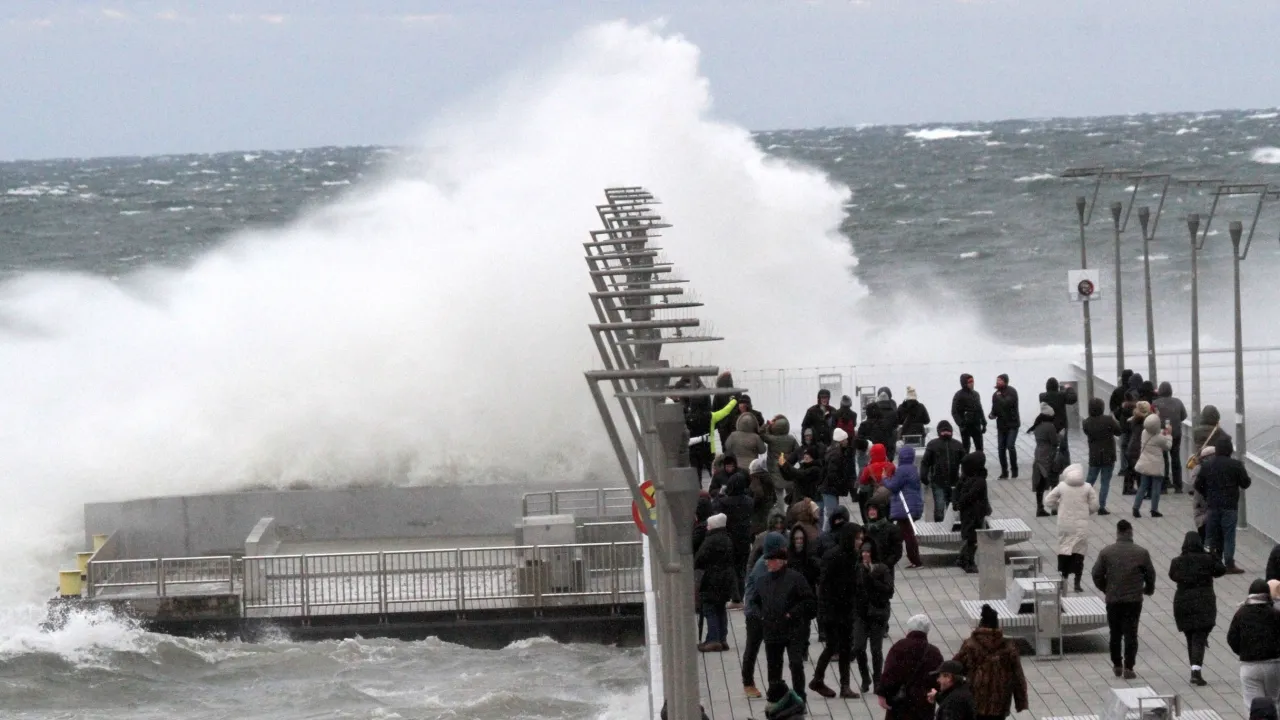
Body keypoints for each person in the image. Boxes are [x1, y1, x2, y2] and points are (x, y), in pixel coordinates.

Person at [750, 545, 816, 706]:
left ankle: (800, 695)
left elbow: (808, 600)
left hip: (793, 629)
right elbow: (754, 601)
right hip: (771, 629)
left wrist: (791, 613)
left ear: (780, 562)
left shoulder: (795, 578)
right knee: (773, 665)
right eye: (767, 560)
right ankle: (775, 697)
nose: (767, 563)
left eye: (770, 561)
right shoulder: (762, 580)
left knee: (796, 663)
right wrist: (761, 615)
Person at [1092, 519, 1157, 679]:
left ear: (1117, 532)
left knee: (1115, 633)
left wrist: (1106, 588)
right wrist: (1148, 589)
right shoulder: (1141, 552)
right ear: (1130, 532)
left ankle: (1116, 664)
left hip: (1113, 599)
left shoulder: (1106, 552)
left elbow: (1096, 574)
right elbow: (1150, 574)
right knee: (1131, 633)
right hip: (1133, 599)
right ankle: (1129, 667)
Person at [1168, 530, 1226, 686]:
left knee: (1190, 636)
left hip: (1183, 603)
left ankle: (1194, 668)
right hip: (1204, 602)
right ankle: (1196, 671)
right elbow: (1221, 570)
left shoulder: (1177, 562)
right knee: (1199, 636)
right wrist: (1213, 555)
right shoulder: (1207, 560)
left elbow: (1172, 575)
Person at [811, 524, 861, 699]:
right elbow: (825, 585)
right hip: (835, 610)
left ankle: (826, 681)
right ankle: (839, 684)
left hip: (843, 609)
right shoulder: (836, 557)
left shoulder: (851, 556)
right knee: (839, 646)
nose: (860, 542)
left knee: (840, 647)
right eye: (857, 538)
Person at [953, 604, 1029, 720]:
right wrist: (1021, 702)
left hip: (975, 700)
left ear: (981, 623)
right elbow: (1018, 676)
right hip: (1000, 702)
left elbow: (955, 667)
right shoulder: (1009, 646)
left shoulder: (970, 645)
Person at [1197, 436, 1252, 574]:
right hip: (1230, 505)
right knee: (1229, 535)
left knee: (1211, 535)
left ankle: (1209, 562)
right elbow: (1245, 483)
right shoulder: (1236, 465)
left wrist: (1207, 494)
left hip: (1213, 505)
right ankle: (1229, 564)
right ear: (1230, 450)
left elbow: (1198, 484)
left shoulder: (1207, 465)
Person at [742, 532, 787, 699]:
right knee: (752, 647)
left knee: (767, 649)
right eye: (782, 546)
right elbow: (761, 592)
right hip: (756, 613)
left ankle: (773, 684)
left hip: (764, 612)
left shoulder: (771, 562)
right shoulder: (763, 565)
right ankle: (748, 682)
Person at [1043, 463, 1100, 593]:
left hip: (1064, 525)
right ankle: (1077, 584)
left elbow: (1048, 501)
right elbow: (1095, 506)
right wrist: (1086, 511)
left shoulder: (1062, 486)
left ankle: (1064, 580)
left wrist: (1059, 508)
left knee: (1064, 551)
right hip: (1081, 526)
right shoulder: (1087, 487)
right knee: (1079, 553)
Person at [1227, 579, 1280, 712]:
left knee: (1251, 704)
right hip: (1273, 664)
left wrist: (1243, 651)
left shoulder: (1241, 613)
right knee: (1273, 701)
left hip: (1249, 665)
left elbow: (1231, 638)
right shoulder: (1275, 613)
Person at [878, 614, 944, 720]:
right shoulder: (934, 652)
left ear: (909, 630)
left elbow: (890, 673)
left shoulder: (899, 647)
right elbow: (938, 679)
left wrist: (882, 693)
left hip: (901, 702)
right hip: (924, 703)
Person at [853, 541, 894, 693]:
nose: (865, 554)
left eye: (868, 552)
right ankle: (865, 677)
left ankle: (877, 680)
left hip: (878, 613)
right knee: (858, 647)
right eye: (863, 551)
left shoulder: (882, 569)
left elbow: (889, 590)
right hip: (861, 614)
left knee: (876, 649)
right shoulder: (857, 569)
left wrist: (871, 578)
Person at [694, 512, 735, 652]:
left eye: (709, 525)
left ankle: (713, 639)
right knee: (720, 608)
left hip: (712, 578)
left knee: (709, 608)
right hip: (726, 578)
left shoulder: (710, 540)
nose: (707, 528)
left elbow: (699, 559)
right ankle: (722, 638)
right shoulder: (728, 538)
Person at [713, 475, 755, 606]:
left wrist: (720, 494)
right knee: (741, 568)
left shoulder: (725, 502)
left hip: (730, 538)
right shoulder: (749, 501)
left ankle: (735, 597)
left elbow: (715, 507)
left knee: (731, 567)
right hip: (744, 539)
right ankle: (741, 596)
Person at [885, 444, 925, 569]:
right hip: (912, 506)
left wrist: (884, 479)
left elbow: (894, 486)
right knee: (901, 534)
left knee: (907, 536)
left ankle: (915, 561)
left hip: (905, 508)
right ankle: (893, 558)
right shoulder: (913, 468)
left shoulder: (902, 470)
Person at [1082, 397, 1123, 516]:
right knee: (1105, 482)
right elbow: (1119, 431)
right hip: (1108, 455)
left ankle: (1082, 502)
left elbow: (1087, 432)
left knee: (1090, 480)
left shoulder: (1086, 422)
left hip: (1094, 455)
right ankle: (1102, 506)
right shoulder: (1108, 420)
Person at [954, 452, 992, 574]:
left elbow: (957, 492)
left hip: (968, 513)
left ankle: (963, 559)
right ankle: (967, 561)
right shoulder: (979, 480)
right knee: (972, 539)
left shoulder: (965, 478)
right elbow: (974, 495)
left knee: (970, 538)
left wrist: (957, 504)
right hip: (975, 514)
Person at [921, 420, 966, 522]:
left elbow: (925, 462)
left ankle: (940, 529)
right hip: (948, 481)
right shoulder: (957, 444)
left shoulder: (933, 444)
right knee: (951, 508)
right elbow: (965, 463)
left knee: (940, 508)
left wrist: (924, 477)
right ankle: (950, 527)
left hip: (941, 481)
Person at [1132, 411, 1172, 518]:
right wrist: (1168, 435)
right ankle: (1154, 510)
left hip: (1145, 464)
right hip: (1156, 465)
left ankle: (1136, 507)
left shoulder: (1144, 432)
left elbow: (1155, 433)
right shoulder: (1160, 438)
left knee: (1143, 486)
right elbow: (1168, 446)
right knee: (1156, 488)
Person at [1153, 382, 1189, 492]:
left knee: (1163, 459)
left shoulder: (1155, 403)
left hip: (1162, 433)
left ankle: (1163, 486)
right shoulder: (1178, 402)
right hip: (1176, 433)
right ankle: (1178, 486)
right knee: (1175, 458)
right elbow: (1184, 416)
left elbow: (1152, 418)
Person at [1029, 403, 1060, 517]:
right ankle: (1054, 507)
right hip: (1048, 456)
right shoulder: (1050, 426)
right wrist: (1060, 436)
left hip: (1038, 456)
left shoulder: (1037, 425)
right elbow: (1055, 442)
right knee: (1054, 482)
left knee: (1040, 485)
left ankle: (1039, 507)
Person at [821, 429, 854, 531]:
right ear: (841, 441)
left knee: (832, 514)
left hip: (829, 489)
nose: (847, 441)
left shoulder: (832, 450)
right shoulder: (837, 454)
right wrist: (840, 483)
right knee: (831, 515)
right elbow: (832, 473)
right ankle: (825, 537)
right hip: (830, 489)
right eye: (845, 439)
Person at [989, 374, 1020, 479]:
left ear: (1005, 381)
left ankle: (1014, 470)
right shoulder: (995, 394)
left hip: (1012, 424)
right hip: (1001, 425)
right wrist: (992, 414)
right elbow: (995, 408)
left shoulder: (1012, 392)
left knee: (1010, 446)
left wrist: (998, 396)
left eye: (1000, 380)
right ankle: (1004, 472)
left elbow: (1006, 403)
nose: (997, 382)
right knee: (1001, 448)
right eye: (997, 380)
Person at [858, 442, 896, 524]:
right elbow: (895, 477)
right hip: (888, 496)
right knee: (888, 517)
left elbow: (862, 481)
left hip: (875, 495)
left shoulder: (869, 468)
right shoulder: (890, 465)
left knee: (873, 514)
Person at [764, 416, 800, 500]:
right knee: (791, 494)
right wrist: (789, 461)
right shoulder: (791, 439)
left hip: (775, 469)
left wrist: (768, 425)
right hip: (787, 469)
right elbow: (798, 452)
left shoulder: (772, 439)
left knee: (778, 494)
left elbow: (762, 434)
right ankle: (791, 509)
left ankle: (781, 511)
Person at [861, 390, 901, 463]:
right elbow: (896, 425)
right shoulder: (893, 412)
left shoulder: (873, 411)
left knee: (876, 463)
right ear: (888, 399)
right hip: (889, 442)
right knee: (888, 465)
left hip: (875, 442)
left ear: (878, 399)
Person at [951, 374, 986, 453]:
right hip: (965, 425)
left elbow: (980, 409)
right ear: (964, 383)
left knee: (979, 447)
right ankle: (966, 464)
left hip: (976, 424)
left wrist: (984, 422)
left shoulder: (976, 394)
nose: (972, 383)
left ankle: (979, 464)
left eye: (972, 381)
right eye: (969, 382)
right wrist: (961, 423)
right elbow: (954, 411)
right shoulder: (959, 395)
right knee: (966, 448)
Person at [864, 502, 904, 570]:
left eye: (874, 510)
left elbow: (897, 552)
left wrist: (885, 565)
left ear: (880, 511)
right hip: (867, 568)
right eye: (869, 510)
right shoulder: (864, 529)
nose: (871, 512)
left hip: (885, 569)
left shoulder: (892, 529)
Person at [787, 524, 822, 595]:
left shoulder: (811, 559)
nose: (799, 541)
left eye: (801, 538)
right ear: (792, 540)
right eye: (796, 539)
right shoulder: (787, 559)